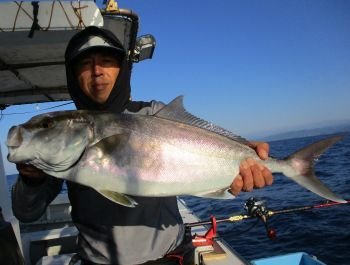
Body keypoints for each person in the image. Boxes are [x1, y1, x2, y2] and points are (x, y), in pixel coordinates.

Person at [12, 26, 273, 265]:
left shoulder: (154, 114)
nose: (97, 71)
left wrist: (242, 153)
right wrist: (31, 181)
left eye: (107, 61)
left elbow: (202, 151)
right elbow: (26, 213)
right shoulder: (60, 144)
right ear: (73, 74)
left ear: (122, 68)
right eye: (85, 63)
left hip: (170, 257)